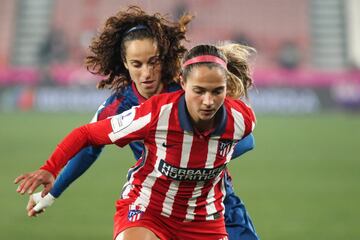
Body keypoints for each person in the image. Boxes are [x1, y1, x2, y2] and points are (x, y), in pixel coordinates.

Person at [15, 6, 258, 240]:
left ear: (164, 58)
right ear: (125, 64)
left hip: (213, 201)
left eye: (153, 62)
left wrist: (194, 159)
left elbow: (244, 138)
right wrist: (53, 193)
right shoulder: (121, 107)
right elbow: (89, 145)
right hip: (155, 205)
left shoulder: (192, 90)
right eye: (137, 64)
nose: (147, 73)